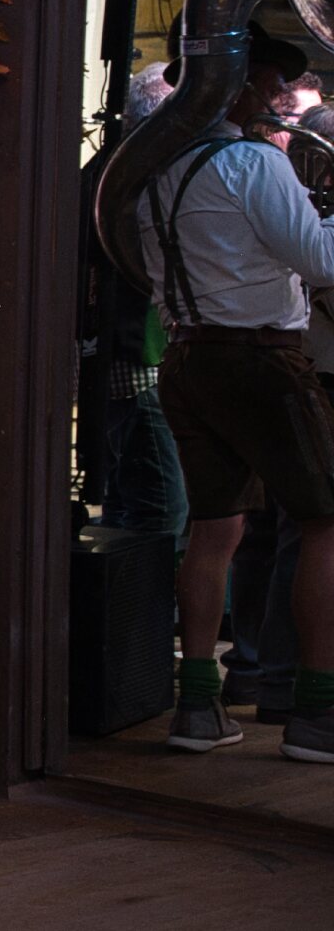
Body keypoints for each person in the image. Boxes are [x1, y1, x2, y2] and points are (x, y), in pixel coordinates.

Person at [136, 26, 334, 767]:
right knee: (326, 521)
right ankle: (317, 711)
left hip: (189, 357)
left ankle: (197, 703)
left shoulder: (152, 167)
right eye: (270, 85)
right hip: (260, 359)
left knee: (215, 529)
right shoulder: (255, 161)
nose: (277, 101)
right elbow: (320, 261)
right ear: (238, 83)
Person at [223, 73, 324, 718]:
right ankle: (288, 685)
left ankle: (251, 670)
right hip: (295, 365)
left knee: (260, 528)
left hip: (274, 359)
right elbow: (320, 268)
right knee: (306, 528)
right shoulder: (264, 175)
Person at [79, 62, 187, 538]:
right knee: (161, 509)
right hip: (135, 356)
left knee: (135, 504)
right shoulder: (128, 173)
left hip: (135, 353)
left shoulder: (118, 168)